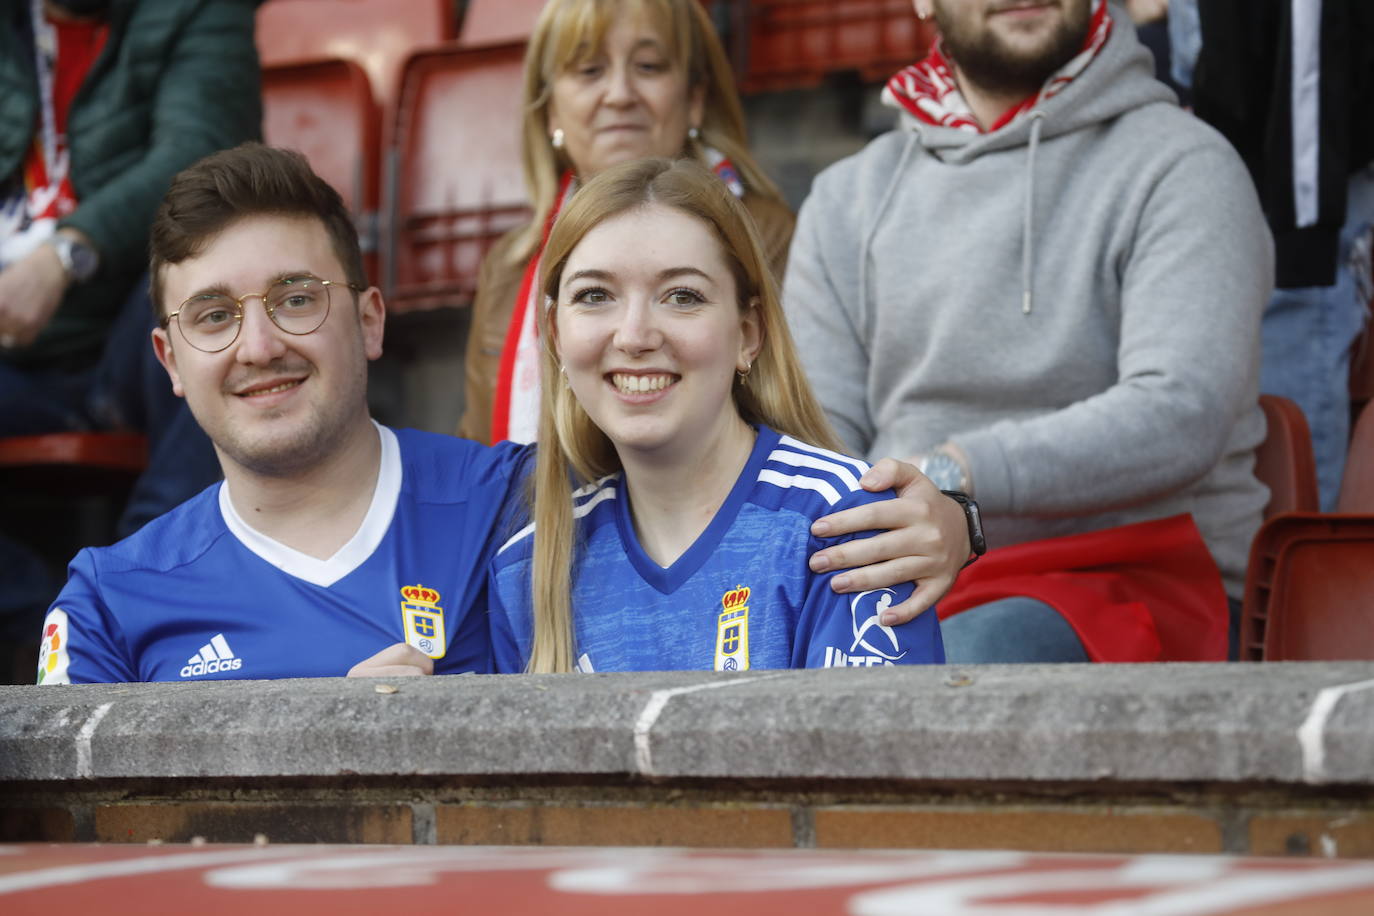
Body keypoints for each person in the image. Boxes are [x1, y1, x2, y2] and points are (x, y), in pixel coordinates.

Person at [36, 145, 967, 685]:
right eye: (212, 316)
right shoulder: (109, 598)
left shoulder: (523, 510)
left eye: (295, 297)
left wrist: (954, 511)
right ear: (168, 358)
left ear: (369, 320)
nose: (258, 345)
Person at [783, 0, 1273, 663]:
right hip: (906, 578)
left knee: (955, 664)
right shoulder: (847, 198)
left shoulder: (1185, 165)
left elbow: (1182, 409)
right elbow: (820, 438)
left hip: (1140, 576)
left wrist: (958, 480)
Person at [488, 158, 945, 673]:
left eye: (682, 296)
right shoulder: (526, 568)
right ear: (555, 336)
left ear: (747, 334)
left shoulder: (846, 524)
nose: (635, 335)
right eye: (595, 296)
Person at [0, 0, 260, 662]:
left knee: (204, 301)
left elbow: (199, 161)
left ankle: (148, 605)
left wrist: (67, 252)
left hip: (123, 321)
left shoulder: (192, 11)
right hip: (15, 353)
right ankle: (48, 624)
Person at [456, 0, 795, 447]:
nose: (619, 94)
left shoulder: (767, 237)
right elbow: (477, 452)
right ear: (552, 110)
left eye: (649, 67)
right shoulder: (507, 267)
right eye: (589, 71)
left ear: (694, 100)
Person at [1182, 0, 1374, 510]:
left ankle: (1288, 574)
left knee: (1294, 363)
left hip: (1292, 185)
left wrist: (1302, 229)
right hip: (1241, 159)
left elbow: (1311, 47)